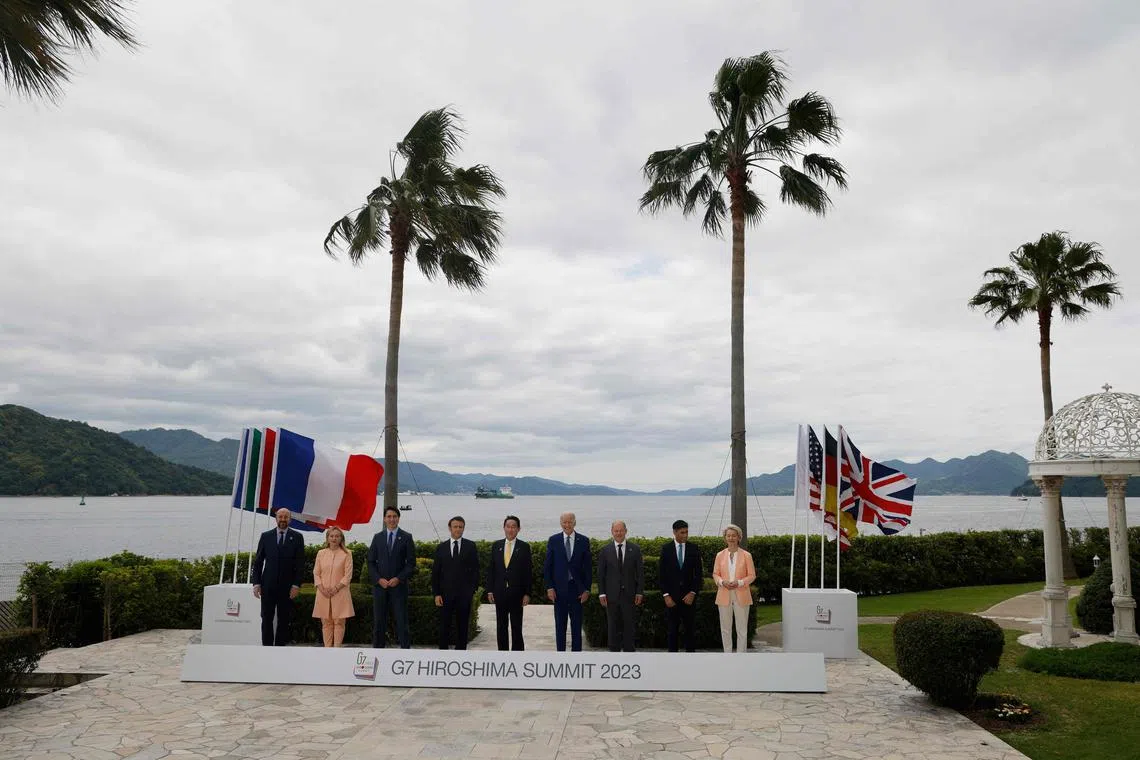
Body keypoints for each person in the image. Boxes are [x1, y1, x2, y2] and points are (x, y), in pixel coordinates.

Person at [251, 508, 305, 646]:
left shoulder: (297, 537)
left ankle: (280, 649)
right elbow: (258, 562)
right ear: (276, 518)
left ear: (290, 519)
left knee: (284, 619)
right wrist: (256, 583)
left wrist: (296, 585)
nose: (283, 519)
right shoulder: (266, 536)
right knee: (266, 618)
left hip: (287, 587)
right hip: (267, 585)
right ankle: (267, 648)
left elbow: (300, 564)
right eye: (280, 516)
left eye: (286, 517)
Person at [367, 506, 416, 648]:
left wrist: (398, 578)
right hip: (380, 588)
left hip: (399, 587)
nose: (392, 519)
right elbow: (370, 562)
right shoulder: (378, 537)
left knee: (402, 622)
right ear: (384, 519)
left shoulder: (407, 537)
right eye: (389, 516)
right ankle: (378, 651)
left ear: (398, 518)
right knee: (379, 622)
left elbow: (411, 563)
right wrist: (378, 579)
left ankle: (405, 652)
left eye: (394, 516)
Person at [543, 512, 591, 652]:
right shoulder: (554, 540)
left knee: (576, 627)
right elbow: (548, 567)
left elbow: (587, 568)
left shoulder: (583, 540)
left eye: (570, 522)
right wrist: (549, 587)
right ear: (560, 523)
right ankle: (561, 656)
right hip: (559, 591)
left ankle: (576, 657)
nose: (567, 525)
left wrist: (586, 589)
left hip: (577, 590)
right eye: (564, 522)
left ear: (575, 522)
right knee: (560, 626)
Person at [432, 516, 480, 649]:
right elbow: (436, 573)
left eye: (460, 527)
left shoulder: (470, 546)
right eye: (455, 526)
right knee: (444, 626)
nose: (458, 529)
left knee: (462, 627)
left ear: (463, 528)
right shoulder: (441, 548)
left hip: (464, 596)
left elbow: (475, 570)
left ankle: (461, 654)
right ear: (450, 528)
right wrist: (436, 594)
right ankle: (443, 654)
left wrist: (471, 591)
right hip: (445, 596)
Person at [485, 514, 532, 651]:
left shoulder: (524, 547)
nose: (510, 529)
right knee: (501, 626)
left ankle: (518, 655)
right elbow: (491, 569)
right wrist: (490, 590)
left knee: (517, 626)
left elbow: (528, 572)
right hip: (499, 593)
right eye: (508, 526)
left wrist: (527, 593)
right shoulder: (496, 546)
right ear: (504, 528)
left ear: (518, 529)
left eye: (513, 527)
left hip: (517, 594)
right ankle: (502, 654)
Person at [596, 520, 644, 652]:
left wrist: (639, 592)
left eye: (621, 530)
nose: (618, 533)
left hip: (630, 595)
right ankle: (614, 653)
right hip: (611, 596)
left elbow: (640, 573)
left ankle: (629, 652)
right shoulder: (605, 551)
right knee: (612, 627)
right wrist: (602, 593)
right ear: (612, 532)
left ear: (626, 531)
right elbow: (601, 574)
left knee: (629, 626)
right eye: (616, 531)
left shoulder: (635, 549)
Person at [658, 518, 703, 652]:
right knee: (672, 631)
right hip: (671, 598)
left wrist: (693, 593)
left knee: (690, 630)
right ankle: (672, 660)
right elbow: (662, 575)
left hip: (689, 599)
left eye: (686, 532)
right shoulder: (666, 549)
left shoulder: (694, 548)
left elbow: (698, 574)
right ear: (675, 532)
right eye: (682, 532)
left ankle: (691, 659)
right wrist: (666, 595)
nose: (685, 535)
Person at [712, 523, 755, 653]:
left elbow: (752, 575)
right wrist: (722, 582)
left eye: (733, 536)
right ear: (725, 538)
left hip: (741, 595)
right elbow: (715, 574)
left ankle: (741, 656)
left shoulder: (747, 555)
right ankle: (727, 655)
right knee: (725, 628)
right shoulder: (720, 555)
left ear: (739, 537)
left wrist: (740, 582)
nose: (731, 538)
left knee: (741, 629)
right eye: (728, 536)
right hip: (724, 595)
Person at [311, 526, 355, 647]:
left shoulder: (347, 554)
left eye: (337, 536)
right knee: (326, 622)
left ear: (341, 538)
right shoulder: (321, 553)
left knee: (339, 622)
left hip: (340, 593)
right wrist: (321, 588)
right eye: (331, 536)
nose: (334, 538)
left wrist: (336, 588)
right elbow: (316, 573)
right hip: (323, 593)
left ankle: (337, 650)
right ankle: (327, 650)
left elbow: (348, 575)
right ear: (327, 538)